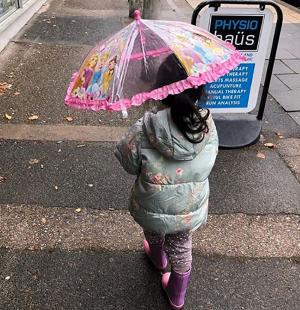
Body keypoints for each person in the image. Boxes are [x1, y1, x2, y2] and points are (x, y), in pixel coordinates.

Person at [114, 55, 219, 309]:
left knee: (154, 227)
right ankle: (176, 293)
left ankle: (157, 256)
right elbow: (210, 160)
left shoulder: (144, 127)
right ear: (199, 89)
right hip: (188, 206)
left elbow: (129, 163)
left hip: (152, 202)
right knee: (182, 246)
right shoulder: (206, 125)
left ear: (160, 89)